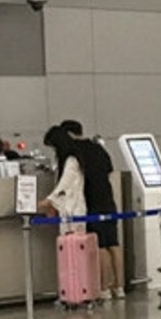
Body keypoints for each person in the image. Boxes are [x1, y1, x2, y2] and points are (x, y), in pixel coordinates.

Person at [60, 120, 124, 301]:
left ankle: (104, 287)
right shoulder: (99, 148)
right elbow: (109, 171)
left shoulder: (74, 153)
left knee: (100, 246)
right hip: (108, 199)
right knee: (114, 244)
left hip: (91, 201)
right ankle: (119, 287)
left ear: (69, 134)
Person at [41, 126, 86, 237]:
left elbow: (64, 184)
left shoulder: (72, 161)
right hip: (68, 208)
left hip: (75, 208)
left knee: (74, 241)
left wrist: (49, 200)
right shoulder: (68, 160)